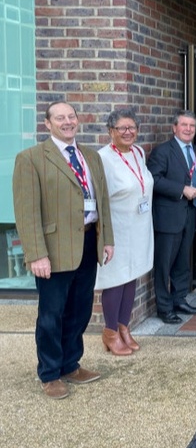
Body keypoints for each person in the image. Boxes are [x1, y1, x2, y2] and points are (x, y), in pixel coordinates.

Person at [13, 101, 114, 399]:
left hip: (86, 243)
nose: (67, 122)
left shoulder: (91, 157)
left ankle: (71, 363)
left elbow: (102, 202)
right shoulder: (31, 159)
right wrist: (36, 254)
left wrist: (106, 239)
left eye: (71, 117)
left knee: (80, 309)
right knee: (51, 314)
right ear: (48, 124)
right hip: (53, 249)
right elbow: (27, 211)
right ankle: (50, 372)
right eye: (60, 118)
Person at [94, 109, 154, 355]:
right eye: (122, 128)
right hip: (116, 229)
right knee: (115, 279)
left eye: (132, 128)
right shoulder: (103, 158)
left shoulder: (138, 152)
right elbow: (98, 198)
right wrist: (103, 234)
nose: (128, 132)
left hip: (139, 226)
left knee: (132, 276)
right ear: (111, 132)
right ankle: (110, 332)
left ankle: (123, 327)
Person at [148, 110, 196, 325]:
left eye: (192, 126)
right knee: (165, 264)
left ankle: (180, 299)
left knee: (183, 261)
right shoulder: (162, 151)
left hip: (191, 214)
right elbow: (153, 180)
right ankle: (164, 308)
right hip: (168, 216)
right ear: (174, 127)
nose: (188, 129)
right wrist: (181, 189)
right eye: (184, 125)